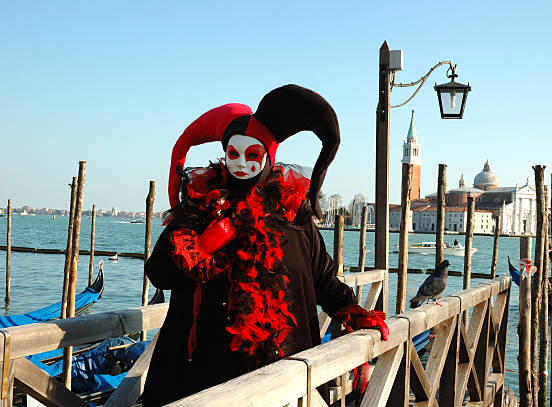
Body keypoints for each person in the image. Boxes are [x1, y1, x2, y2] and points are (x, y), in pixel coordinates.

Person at [142, 85, 389, 406]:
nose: (242, 163)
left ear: (267, 157)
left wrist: (352, 313)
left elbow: (322, 279)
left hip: (286, 377)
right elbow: (159, 274)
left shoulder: (293, 218)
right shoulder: (198, 212)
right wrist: (199, 248)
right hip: (198, 381)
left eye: (252, 155)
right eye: (234, 154)